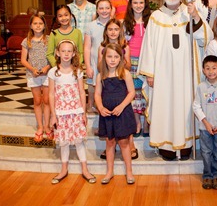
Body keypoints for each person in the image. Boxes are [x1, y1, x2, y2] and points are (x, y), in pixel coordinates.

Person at [138, 0, 213, 161]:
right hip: (162, 74)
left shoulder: (188, 13)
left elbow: (205, 38)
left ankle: (186, 144)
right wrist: (149, 73)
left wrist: (195, 16)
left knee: (185, 105)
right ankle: (166, 146)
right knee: (165, 106)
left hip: (186, 73)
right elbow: (149, 47)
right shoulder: (156, 17)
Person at [48, 40, 96, 184]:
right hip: (61, 113)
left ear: (74, 53)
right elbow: (51, 94)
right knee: (63, 142)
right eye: (63, 51)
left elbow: (82, 92)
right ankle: (64, 169)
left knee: (79, 141)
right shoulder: (53, 72)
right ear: (57, 53)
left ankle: (85, 169)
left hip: (76, 112)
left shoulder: (78, 71)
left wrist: (84, 113)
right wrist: (53, 115)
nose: (66, 54)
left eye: (69, 51)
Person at [94, 43, 136, 185]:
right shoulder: (101, 75)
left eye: (116, 57)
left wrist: (122, 106)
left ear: (121, 58)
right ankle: (109, 171)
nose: (112, 59)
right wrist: (100, 107)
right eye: (109, 56)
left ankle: (129, 172)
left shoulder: (125, 73)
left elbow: (132, 93)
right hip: (107, 113)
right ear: (104, 58)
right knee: (109, 142)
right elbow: (97, 94)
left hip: (122, 112)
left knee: (124, 143)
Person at [193, 55, 217, 190]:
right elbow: (196, 106)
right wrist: (206, 123)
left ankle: (216, 175)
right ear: (203, 70)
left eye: (214, 68)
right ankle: (207, 176)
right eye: (208, 68)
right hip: (205, 129)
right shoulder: (201, 87)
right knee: (206, 152)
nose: (211, 71)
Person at [98, 19, 135, 160]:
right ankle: (110, 147)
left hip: (121, 84)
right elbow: (99, 68)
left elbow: (129, 66)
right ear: (106, 31)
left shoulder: (124, 46)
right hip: (108, 84)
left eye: (116, 29)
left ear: (120, 31)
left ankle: (129, 144)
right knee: (109, 125)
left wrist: (120, 63)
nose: (113, 32)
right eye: (110, 29)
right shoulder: (102, 47)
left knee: (124, 120)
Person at [124, 0, 151, 138]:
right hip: (132, 60)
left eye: (141, 3)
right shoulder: (126, 23)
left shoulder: (151, 22)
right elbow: (123, 43)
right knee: (134, 93)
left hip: (146, 60)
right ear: (131, 5)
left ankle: (147, 122)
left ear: (145, 4)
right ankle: (137, 123)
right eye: (135, 3)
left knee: (146, 92)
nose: (138, 5)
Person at [21, 13, 51, 142]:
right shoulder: (27, 41)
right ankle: (39, 126)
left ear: (44, 25)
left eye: (40, 23)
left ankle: (47, 126)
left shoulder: (49, 39)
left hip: (47, 74)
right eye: (35, 24)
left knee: (47, 100)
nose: (38, 26)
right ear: (31, 26)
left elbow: (53, 57)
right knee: (38, 101)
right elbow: (23, 60)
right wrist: (32, 69)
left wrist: (47, 67)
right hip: (32, 74)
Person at [84, 0, 112, 113]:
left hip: (111, 62)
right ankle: (91, 105)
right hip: (95, 61)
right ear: (97, 10)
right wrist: (88, 66)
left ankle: (104, 107)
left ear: (111, 9)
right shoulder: (91, 26)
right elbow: (87, 47)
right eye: (101, 8)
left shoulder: (115, 24)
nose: (104, 11)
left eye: (107, 8)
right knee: (93, 86)